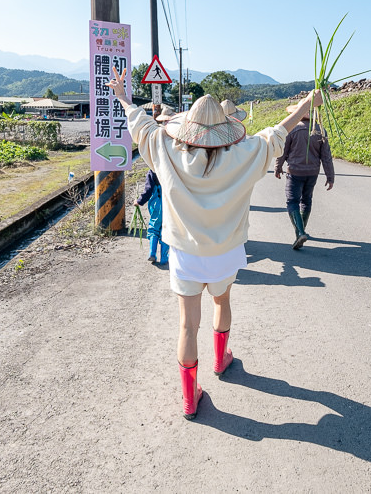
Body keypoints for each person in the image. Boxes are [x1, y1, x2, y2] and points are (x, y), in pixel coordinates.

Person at [107, 66, 319, 420]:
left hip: (186, 254)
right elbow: (275, 135)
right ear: (225, 128)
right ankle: (221, 360)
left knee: (187, 325)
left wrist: (123, 97)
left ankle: (190, 398)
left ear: (186, 126)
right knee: (222, 300)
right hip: (226, 253)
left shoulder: (165, 149)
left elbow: (140, 125)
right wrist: (303, 108)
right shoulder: (244, 155)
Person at [274, 102, 335, 249]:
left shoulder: (292, 129)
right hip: (312, 173)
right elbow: (326, 157)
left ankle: (300, 231)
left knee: (292, 201)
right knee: (306, 200)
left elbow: (283, 151)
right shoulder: (321, 131)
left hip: (295, 172)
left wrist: (278, 167)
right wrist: (330, 176)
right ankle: (300, 231)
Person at [133, 105, 176, 265]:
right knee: (167, 229)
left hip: (157, 201)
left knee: (153, 227)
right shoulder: (176, 142)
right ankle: (164, 257)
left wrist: (139, 201)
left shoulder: (153, 167)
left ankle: (152, 252)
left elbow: (148, 189)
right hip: (171, 200)